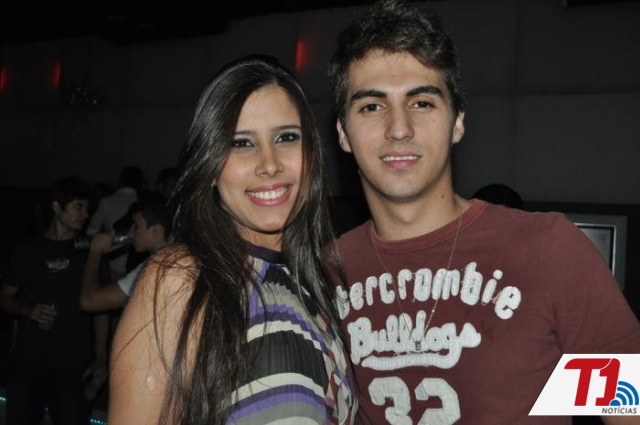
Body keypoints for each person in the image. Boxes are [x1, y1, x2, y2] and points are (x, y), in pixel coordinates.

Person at [327, 1, 640, 424]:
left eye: (422, 102)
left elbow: (627, 409)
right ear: (343, 134)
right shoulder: (326, 272)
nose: (398, 128)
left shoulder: (546, 251)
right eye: (371, 106)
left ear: (457, 122)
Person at [108, 57, 356, 425]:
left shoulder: (322, 283)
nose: (269, 163)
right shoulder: (181, 279)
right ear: (209, 167)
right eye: (241, 143)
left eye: (286, 137)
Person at [0, 176, 107, 425]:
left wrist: (101, 358)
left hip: (74, 362)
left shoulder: (90, 252)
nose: (85, 215)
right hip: (28, 361)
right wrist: (27, 310)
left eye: (87, 209)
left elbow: (101, 308)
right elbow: (4, 296)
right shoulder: (28, 249)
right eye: (78, 207)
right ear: (57, 207)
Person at [80, 201, 170, 312]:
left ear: (157, 231)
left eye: (136, 226)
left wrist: (95, 252)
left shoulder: (154, 266)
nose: (131, 233)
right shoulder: (177, 257)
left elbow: (90, 301)